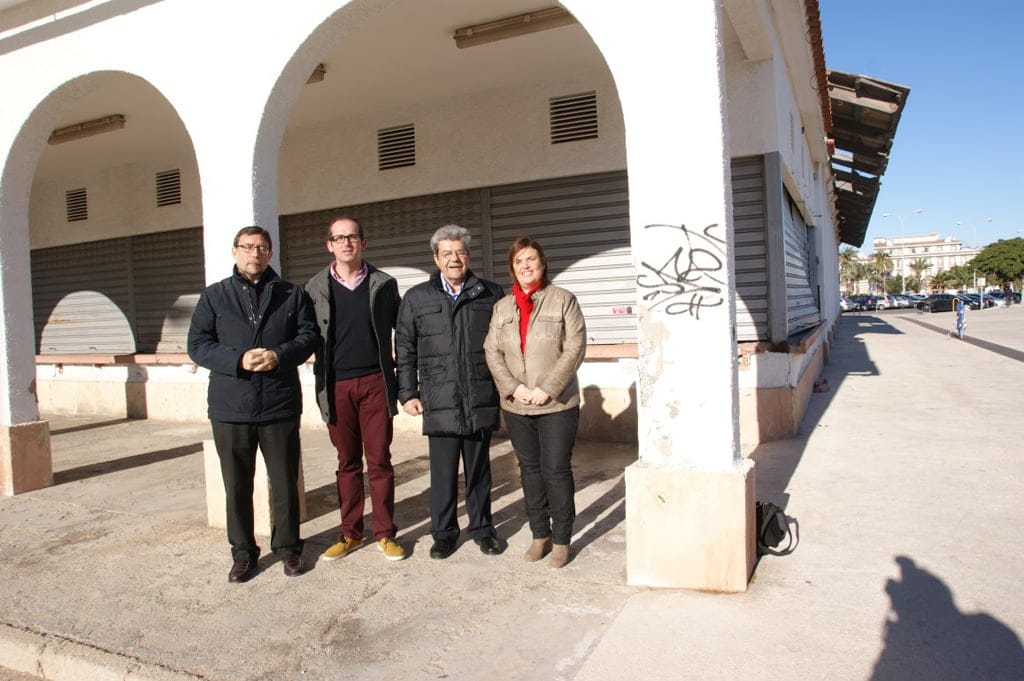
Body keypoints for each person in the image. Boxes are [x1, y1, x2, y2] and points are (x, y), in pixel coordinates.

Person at [188, 226, 319, 583]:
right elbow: (197, 344)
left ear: (270, 253)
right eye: (247, 247)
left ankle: (290, 548)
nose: (254, 254)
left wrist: (279, 355)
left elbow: (309, 337)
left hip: (279, 404)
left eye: (261, 247)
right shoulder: (215, 297)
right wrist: (238, 359)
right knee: (237, 485)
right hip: (231, 406)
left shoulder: (292, 295)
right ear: (234, 252)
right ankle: (243, 553)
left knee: (284, 481)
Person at [395, 224, 504, 559]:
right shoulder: (417, 298)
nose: (454, 259)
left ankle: (483, 529)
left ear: (468, 256)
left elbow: (504, 345)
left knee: (479, 472)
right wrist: (407, 392)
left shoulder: (490, 293)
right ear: (436, 258)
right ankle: (443, 533)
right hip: (438, 397)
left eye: (460, 252)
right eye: (447, 254)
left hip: (478, 394)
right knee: (442, 475)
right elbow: (405, 347)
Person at [304, 216, 406, 562]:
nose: (347, 242)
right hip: (335, 385)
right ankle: (350, 533)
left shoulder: (384, 284)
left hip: (375, 382)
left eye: (353, 237)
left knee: (379, 461)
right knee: (347, 463)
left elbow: (405, 334)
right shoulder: (314, 288)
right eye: (339, 237)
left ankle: (385, 533)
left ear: (364, 242)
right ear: (329, 245)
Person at [484, 236, 586, 568]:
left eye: (531, 259)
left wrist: (549, 388)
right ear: (512, 269)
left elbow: (574, 348)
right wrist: (512, 387)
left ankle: (561, 540)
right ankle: (539, 534)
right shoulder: (502, 307)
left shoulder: (563, 300)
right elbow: (492, 351)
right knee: (528, 470)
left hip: (556, 403)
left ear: (542, 262)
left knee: (555, 469)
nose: (526, 266)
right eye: (519, 262)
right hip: (517, 404)